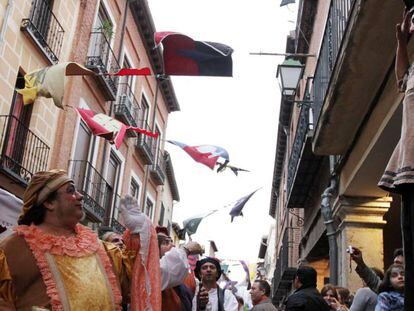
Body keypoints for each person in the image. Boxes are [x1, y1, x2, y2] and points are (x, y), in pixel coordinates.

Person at [0, 169, 161, 310]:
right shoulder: (15, 248)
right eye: (70, 191)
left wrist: (139, 232)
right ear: (49, 202)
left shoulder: (100, 248)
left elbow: (133, 282)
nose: (80, 196)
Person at [157, 225, 203, 310]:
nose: (173, 246)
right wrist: (186, 249)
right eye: (165, 242)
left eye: (171, 242)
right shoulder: (150, 274)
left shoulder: (189, 279)